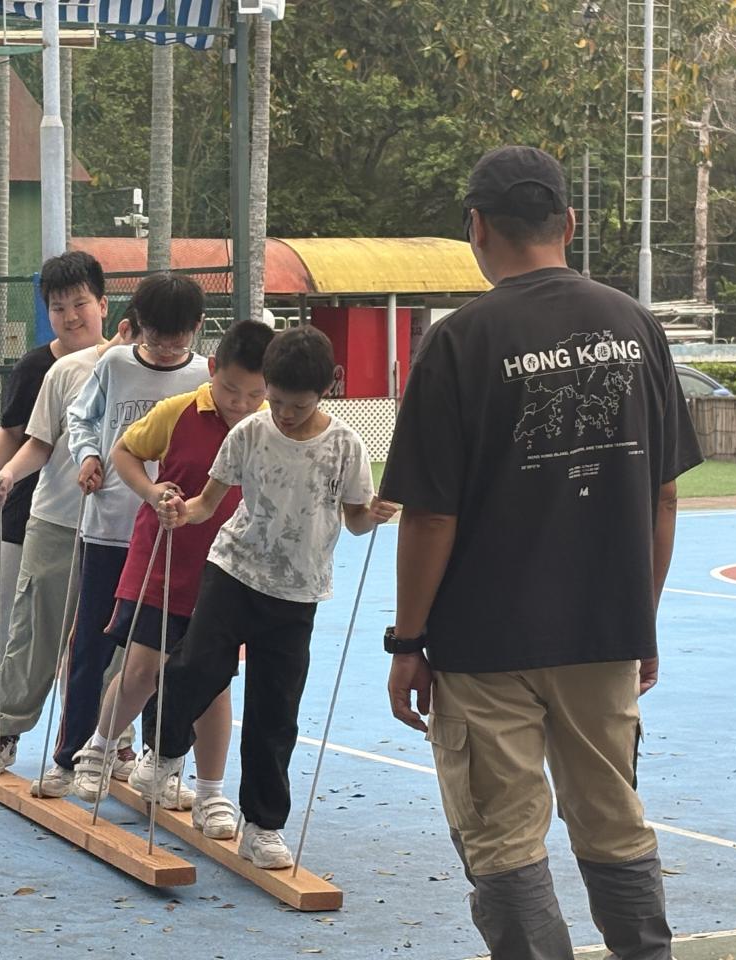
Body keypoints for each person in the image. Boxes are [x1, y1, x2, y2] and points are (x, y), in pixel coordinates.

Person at [380, 145, 703, 960]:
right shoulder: (636, 326)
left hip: (486, 643)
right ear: (570, 222)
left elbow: (430, 517)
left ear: (477, 227)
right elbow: (663, 496)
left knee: (504, 840)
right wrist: (640, 620)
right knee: (614, 818)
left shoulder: (459, 341)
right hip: (604, 630)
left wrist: (408, 640)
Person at [131, 325, 397, 868]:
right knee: (197, 667)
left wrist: (372, 515)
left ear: (328, 389)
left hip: (297, 593)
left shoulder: (345, 446)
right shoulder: (250, 433)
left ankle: (263, 826)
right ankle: (162, 751)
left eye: (298, 405)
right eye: (275, 401)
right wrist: (181, 512)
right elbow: (208, 503)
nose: (284, 414)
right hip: (233, 572)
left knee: (276, 712)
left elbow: (353, 521)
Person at [69, 320, 275, 843]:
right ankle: (99, 747)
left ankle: (211, 793)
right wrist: (150, 490)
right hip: (162, 559)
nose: (240, 403)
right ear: (212, 370)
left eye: (254, 394)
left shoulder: (269, 426)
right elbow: (124, 451)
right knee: (142, 669)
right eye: (231, 389)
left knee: (214, 683)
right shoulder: (179, 410)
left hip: (227, 571)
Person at [36, 273, 212, 799]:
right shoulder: (113, 364)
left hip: (172, 540)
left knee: (169, 658)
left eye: (178, 339)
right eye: (156, 338)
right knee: (90, 647)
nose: (167, 349)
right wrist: (88, 457)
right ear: (135, 326)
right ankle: (71, 757)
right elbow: (81, 418)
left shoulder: (206, 378)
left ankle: (160, 765)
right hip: (109, 529)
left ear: (198, 328)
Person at [0, 251, 106, 755]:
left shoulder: (123, 365)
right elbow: (13, 433)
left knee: (93, 634)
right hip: (27, 513)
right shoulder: (37, 367)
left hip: (101, 522)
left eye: (80, 304)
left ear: (103, 304)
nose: (71, 316)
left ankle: (95, 736)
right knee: (2, 616)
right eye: (58, 308)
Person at [0, 310, 140, 776]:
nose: (157, 353)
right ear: (125, 329)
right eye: (147, 341)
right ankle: (1, 731)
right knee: (33, 632)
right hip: (58, 520)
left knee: (115, 643)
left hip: (122, 528)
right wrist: (5, 474)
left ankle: (114, 741)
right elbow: (38, 441)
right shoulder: (67, 371)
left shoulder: (170, 376)